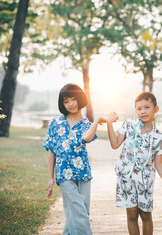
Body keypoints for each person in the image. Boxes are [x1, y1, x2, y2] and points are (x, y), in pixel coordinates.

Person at [43, 83, 110, 235]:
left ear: (80, 99)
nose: (71, 104)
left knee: (78, 215)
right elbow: (50, 151)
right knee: (79, 215)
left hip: (84, 174)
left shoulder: (87, 124)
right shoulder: (55, 123)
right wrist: (50, 178)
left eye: (73, 99)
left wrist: (97, 119)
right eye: (66, 101)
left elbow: (87, 138)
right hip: (64, 176)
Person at [106, 91, 162, 235]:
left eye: (147, 107)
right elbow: (115, 144)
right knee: (131, 215)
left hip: (145, 181)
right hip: (126, 177)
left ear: (156, 109)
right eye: (139, 108)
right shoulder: (129, 125)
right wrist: (109, 123)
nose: (143, 111)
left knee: (145, 215)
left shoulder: (158, 136)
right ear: (136, 110)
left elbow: (159, 164)